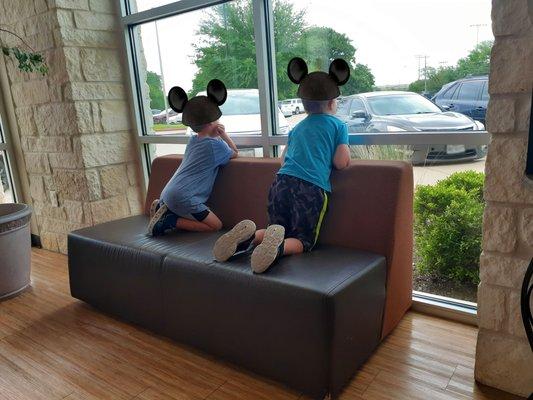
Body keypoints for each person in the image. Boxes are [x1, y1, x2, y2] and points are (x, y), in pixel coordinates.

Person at [213, 57, 352, 273]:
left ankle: (249, 237)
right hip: (311, 188)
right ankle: (277, 249)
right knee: (302, 240)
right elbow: (341, 162)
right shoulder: (338, 126)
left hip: (281, 182)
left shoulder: (296, 128)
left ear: (304, 106)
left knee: (274, 229)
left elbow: (284, 158)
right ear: (333, 103)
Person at [148, 79, 238, 236]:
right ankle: (168, 220)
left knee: (203, 220)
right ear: (212, 122)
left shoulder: (193, 140)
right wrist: (224, 135)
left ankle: (162, 209)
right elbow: (235, 152)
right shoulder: (214, 146)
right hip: (184, 197)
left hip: (168, 193)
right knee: (215, 225)